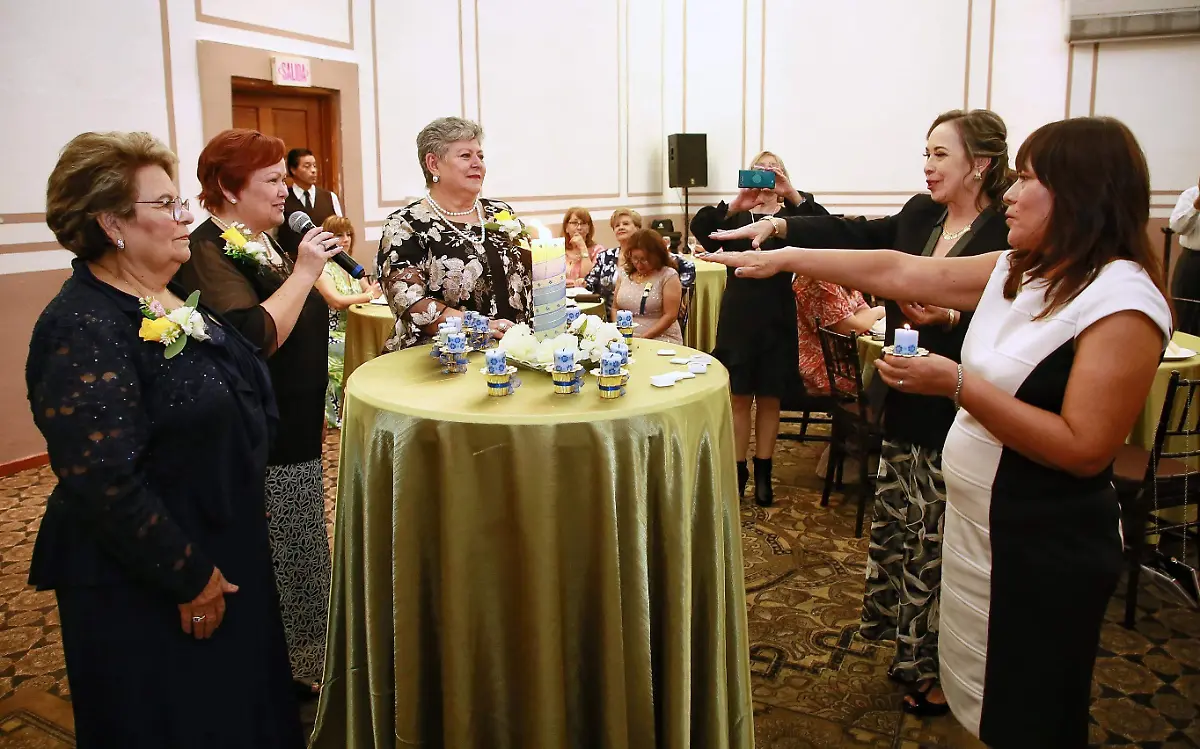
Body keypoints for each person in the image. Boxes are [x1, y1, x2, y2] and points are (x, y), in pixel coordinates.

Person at [702, 116, 1171, 748]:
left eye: (1027, 179)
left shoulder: (1123, 300)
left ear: (1080, 192)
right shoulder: (1029, 267)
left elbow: (1085, 449)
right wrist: (783, 254)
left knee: (1027, 715)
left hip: (1039, 545)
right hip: (979, 534)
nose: (1010, 193)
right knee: (978, 705)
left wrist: (955, 383)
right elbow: (898, 270)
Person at [706, 109, 1013, 715]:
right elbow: (854, 234)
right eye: (926, 153)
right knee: (904, 529)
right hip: (903, 394)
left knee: (942, 542)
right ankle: (906, 643)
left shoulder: (1006, 226)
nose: (927, 166)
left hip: (961, 404)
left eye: (940, 155)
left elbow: (1012, 306)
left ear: (979, 163)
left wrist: (951, 316)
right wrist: (782, 227)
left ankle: (939, 666)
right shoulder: (922, 214)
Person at [28, 131, 306, 747]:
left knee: (243, 707)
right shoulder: (82, 325)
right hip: (151, 573)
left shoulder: (167, 294)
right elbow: (102, 478)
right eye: (166, 204)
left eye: (180, 201)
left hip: (221, 532)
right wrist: (187, 574)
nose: (185, 216)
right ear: (111, 224)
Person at [175, 128, 339, 696]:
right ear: (228, 188)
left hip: (295, 423)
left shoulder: (262, 240)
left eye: (282, 178)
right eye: (270, 180)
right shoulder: (207, 251)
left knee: (301, 540)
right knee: (281, 546)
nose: (284, 190)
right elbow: (251, 337)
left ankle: (311, 653)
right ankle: (290, 668)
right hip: (261, 437)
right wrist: (305, 272)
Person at [691, 150, 830, 505]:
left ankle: (764, 471)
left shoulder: (793, 218)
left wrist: (791, 193)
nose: (766, 176)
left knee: (770, 398)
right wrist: (737, 203)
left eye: (773, 170)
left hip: (778, 314)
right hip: (738, 316)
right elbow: (702, 229)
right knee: (739, 397)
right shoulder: (738, 216)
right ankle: (738, 471)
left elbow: (826, 230)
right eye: (759, 170)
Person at [376, 116, 531, 350]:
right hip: (443, 357)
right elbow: (409, 301)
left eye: (480, 156)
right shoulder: (406, 225)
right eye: (465, 156)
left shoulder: (500, 213)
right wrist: (481, 326)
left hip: (515, 351)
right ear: (433, 164)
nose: (477, 163)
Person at [316, 215, 380, 426]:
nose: (345, 239)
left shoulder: (351, 267)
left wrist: (373, 290)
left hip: (355, 329)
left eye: (348, 234)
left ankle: (369, 411)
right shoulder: (323, 269)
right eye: (339, 235)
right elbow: (336, 301)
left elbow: (370, 291)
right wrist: (368, 296)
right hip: (332, 334)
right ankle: (343, 415)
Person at [587, 208, 695, 317]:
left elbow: (689, 267)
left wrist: (675, 295)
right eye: (617, 225)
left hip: (648, 316)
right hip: (609, 317)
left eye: (625, 224)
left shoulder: (651, 254)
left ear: (638, 228)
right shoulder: (605, 256)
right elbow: (589, 284)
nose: (621, 227)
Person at [611, 228, 683, 344]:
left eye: (644, 260)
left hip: (661, 338)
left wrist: (643, 338)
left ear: (657, 256)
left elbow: (670, 315)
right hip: (626, 338)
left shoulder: (668, 275)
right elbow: (615, 308)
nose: (639, 264)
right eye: (635, 259)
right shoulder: (624, 273)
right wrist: (618, 331)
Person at [276, 147, 344, 258]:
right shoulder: (283, 198)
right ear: (293, 170)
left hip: (327, 260)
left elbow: (340, 229)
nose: (313, 170)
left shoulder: (329, 197)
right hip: (293, 262)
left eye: (314, 166)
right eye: (307, 166)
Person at [1169, 177, 1200, 332]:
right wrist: (1196, 207)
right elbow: (1177, 227)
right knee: (1186, 315)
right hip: (1193, 263)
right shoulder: (1190, 195)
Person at [561, 207, 601, 286]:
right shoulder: (558, 250)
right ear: (566, 228)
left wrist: (583, 248)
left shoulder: (598, 251)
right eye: (574, 223)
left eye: (583, 223)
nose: (579, 227)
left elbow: (590, 279)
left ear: (589, 228)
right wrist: (574, 283)